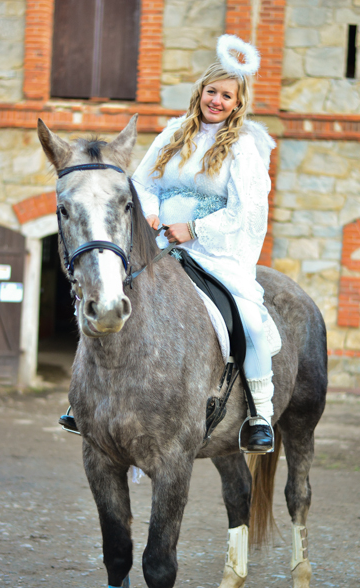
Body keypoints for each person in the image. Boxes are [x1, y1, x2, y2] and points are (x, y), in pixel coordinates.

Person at [132, 34, 276, 454]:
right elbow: (143, 182)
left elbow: (247, 209)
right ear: (200, 92)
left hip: (213, 251)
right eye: (212, 91)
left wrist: (194, 229)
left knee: (249, 321)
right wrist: (151, 213)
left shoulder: (243, 147)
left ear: (237, 103)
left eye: (226, 96)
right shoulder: (174, 132)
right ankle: (84, 398)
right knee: (109, 293)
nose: (216, 100)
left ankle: (259, 414)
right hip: (158, 243)